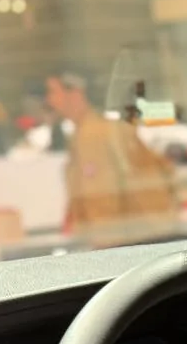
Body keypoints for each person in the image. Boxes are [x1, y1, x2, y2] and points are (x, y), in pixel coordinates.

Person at [44, 71, 176, 233]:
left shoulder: (93, 136)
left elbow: (101, 203)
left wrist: (101, 251)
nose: (50, 100)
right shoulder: (91, 131)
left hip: (128, 241)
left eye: (53, 92)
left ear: (75, 93)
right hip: (142, 234)